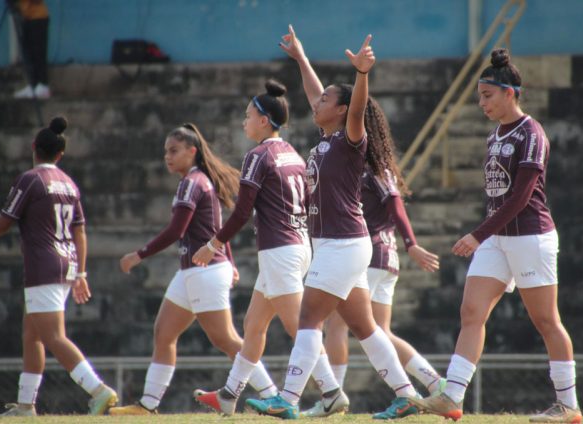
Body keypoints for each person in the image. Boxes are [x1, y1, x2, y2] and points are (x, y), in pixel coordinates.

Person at [244, 25, 419, 420]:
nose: (316, 101)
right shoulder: (325, 137)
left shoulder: (349, 138)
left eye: (325, 99)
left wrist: (361, 74)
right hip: (336, 245)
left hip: (343, 244)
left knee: (309, 318)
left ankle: (287, 399)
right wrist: (302, 58)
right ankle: (406, 394)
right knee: (365, 328)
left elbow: (355, 108)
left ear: (339, 110)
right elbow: (315, 93)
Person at [409, 49, 582, 424]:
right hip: (496, 239)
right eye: (479, 96)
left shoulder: (532, 133)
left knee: (546, 321)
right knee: (471, 312)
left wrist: (477, 233)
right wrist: (486, 235)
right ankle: (451, 396)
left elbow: (520, 197)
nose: (481, 103)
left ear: (510, 93)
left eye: (487, 95)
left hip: (530, 237)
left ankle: (569, 406)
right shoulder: (495, 135)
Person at [107, 123, 276, 415]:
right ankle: (148, 404)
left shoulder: (193, 182)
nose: (167, 157)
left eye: (174, 151)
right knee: (164, 333)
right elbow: (217, 228)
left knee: (225, 339)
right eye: (165, 152)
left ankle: (273, 395)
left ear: (192, 151)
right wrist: (232, 263)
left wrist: (139, 254)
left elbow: (176, 230)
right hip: (191, 272)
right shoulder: (196, 181)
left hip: (205, 271)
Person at [301, 97, 443, 419]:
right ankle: (433, 386)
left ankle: (332, 394)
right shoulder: (365, 157)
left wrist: (413, 244)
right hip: (383, 256)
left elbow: (395, 204)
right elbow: (317, 97)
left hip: (368, 252)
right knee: (376, 330)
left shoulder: (360, 160)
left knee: (337, 327)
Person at [0, 116, 117, 416]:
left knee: (54, 336)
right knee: (32, 334)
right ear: (60, 154)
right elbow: (80, 230)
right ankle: (26, 405)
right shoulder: (69, 183)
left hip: (43, 266)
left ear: (33, 148)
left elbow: (6, 218)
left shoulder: (30, 179)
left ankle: (99, 390)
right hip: (66, 264)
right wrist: (80, 272)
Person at [192, 79, 313, 415]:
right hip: (299, 246)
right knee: (254, 325)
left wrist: (213, 243)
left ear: (263, 120)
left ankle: (330, 392)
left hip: (279, 250)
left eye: (248, 116)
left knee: (299, 327)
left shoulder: (258, 155)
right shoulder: (293, 154)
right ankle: (230, 394)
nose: (244, 121)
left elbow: (243, 211)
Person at [10, 0, 51, 99]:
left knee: (38, 52)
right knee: (28, 54)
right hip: (26, 18)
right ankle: (33, 84)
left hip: (38, 18)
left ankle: (43, 84)